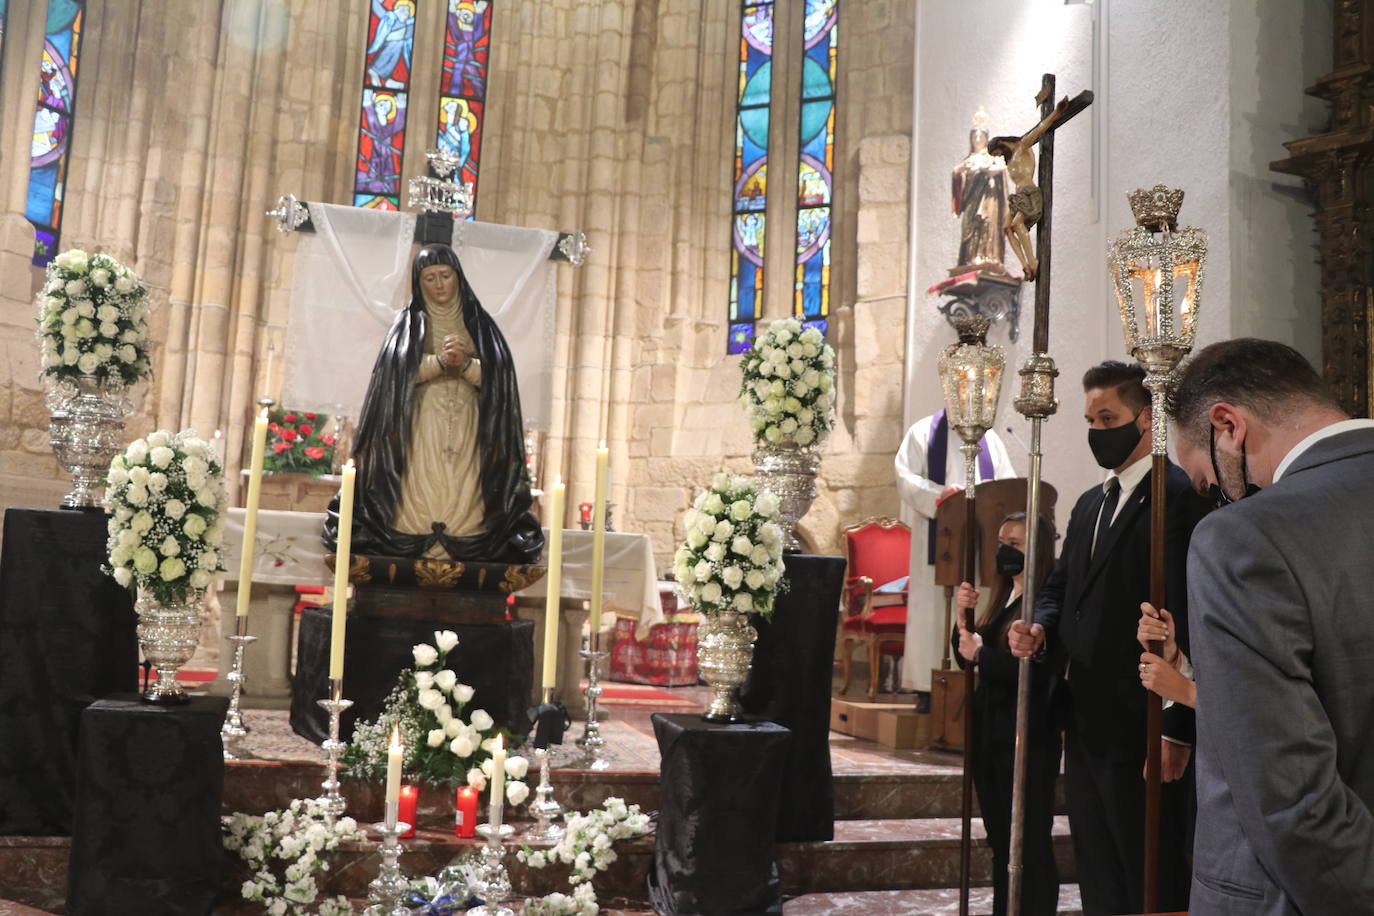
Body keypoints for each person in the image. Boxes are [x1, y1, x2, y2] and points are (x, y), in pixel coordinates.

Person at [1164, 338, 1374, 913]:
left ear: (1228, 424)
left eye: (1210, 481)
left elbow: (1292, 804)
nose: (1221, 496)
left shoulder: (1247, 536)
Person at [1007, 360, 1208, 915]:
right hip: (1084, 716)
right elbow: (1061, 586)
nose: (1097, 431)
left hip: (1141, 720)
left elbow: (1190, 616)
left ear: (1145, 419)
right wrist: (1040, 627)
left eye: (1108, 417)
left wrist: (1177, 729)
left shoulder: (1179, 496)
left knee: (1148, 869)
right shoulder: (1091, 502)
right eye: (1090, 420)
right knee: (1097, 869)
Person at [323, 243, 543, 565]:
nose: (439, 285)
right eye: (429, 278)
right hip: (421, 421)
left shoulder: (481, 327)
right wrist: (439, 362)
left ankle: (462, 534)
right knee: (422, 476)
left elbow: (501, 381)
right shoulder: (408, 325)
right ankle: (417, 535)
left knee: (463, 480)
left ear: (458, 278)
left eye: (445, 275)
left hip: (469, 423)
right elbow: (394, 378)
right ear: (418, 283)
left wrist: (467, 365)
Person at [952, 512, 1060, 916]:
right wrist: (963, 619)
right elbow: (967, 656)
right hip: (990, 730)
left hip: (1026, 733)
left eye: (1015, 543)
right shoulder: (1002, 597)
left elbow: (1032, 670)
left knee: (1028, 842)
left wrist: (981, 653)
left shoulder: (1045, 604)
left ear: (1039, 548)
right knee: (1001, 841)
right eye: (1002, 541)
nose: (1005, 550)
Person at [894, 411, 1015, 696]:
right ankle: (928, 688)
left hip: (982, 545)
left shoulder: (991, 438)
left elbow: (1007, 482)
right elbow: (905, 477)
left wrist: (992, 498)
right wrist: (942, 494)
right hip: (939, 541)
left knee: (978, 604)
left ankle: (972, 679)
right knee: (933, 613)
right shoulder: (923, 432)